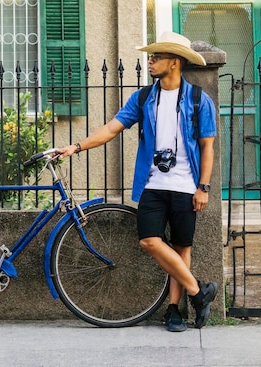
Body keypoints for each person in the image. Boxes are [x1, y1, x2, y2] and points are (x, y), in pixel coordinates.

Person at [57, 31, 218, 332]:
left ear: (174, 62)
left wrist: (203, 187)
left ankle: (174, 310)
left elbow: (207, 146)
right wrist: (76, 147)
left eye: (157, 57)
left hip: (186, 186)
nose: (151, 60)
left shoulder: (198, 99)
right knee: (149, 241)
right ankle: (198, 292)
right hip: (154, 184)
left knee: (182, 248)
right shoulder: (143, 98)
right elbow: (111, 128)